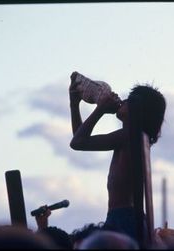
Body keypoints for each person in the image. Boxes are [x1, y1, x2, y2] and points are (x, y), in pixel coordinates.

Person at [69, 72, 166, 241]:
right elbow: (80, 139)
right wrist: (74, 105)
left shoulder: (130, 135)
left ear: (138, 109)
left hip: (123, 218)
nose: (123, 101)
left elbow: (78, 143)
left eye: (129, 100)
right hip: (124, 217)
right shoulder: (131, 136)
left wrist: (100, 109)